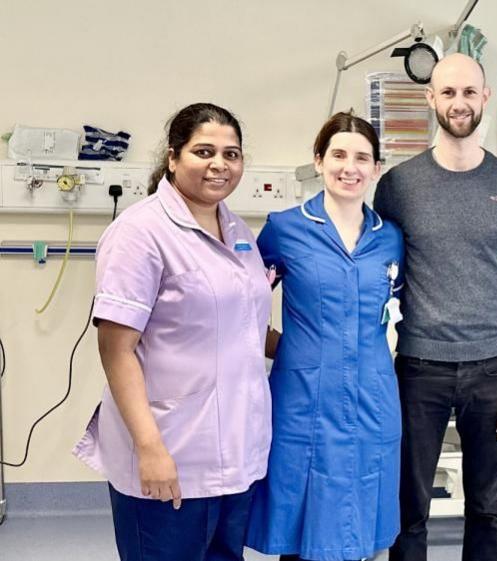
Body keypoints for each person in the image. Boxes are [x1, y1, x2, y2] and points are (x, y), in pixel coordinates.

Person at [73, 103, 272, 561]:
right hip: (171, 451)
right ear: (173, 157)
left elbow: (246, 325)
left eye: (232, 153)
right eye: (204, 151)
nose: (220, 164)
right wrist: (150, 449)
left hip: (236, 453)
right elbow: (116, 350)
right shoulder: (139, 233)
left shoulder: (237, 230)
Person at [374, 53, 497, 561]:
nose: (459, 103)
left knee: (486, 507)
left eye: (469, 92)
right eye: (448, 92)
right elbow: (380, 281)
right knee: (410, 507)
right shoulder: (398, 187)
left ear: (485, 97)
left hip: (493, 372)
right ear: (431, 99)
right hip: (419, 370)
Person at [245, 112, 403, 561]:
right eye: (338, 154)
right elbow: (242, 308)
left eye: (361, 157)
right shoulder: (284, 229)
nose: (349, 167)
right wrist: (285, 348)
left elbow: (398, 308)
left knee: (364, 525)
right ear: (318, 160)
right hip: (303, 398)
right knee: (302, 523)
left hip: (372, 398)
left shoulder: (389, 238)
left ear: (376, 168)